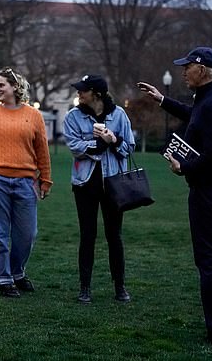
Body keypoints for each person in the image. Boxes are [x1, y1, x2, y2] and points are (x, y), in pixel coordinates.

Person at [137, 46, 212, 344]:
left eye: (188, 66)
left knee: (209, 263)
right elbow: (195, 116)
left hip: (209, 193)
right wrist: (162, 100)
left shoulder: (211, 105)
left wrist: (183, 167)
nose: (183, 71)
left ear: (202, 70)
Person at [0, 67, 52, 298]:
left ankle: (17, 272)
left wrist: (45, 180)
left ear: (15, 87)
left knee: (27, 234)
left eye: (1, 85)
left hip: (26, 182)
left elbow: (42, 151)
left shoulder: (34, 115)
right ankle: (4, 279)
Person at [62, 74, 135, 304]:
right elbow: (74, 147)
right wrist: (97, 143)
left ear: (97, 94)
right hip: (85, 185)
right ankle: (85, 288)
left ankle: (120, 287)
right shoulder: (73, 117)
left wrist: (113, 139)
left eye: (83, 90)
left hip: (114, 184)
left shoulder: (119, 115)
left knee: (114, 236)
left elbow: (129, 147)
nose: (79, 93)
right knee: (87, 235)